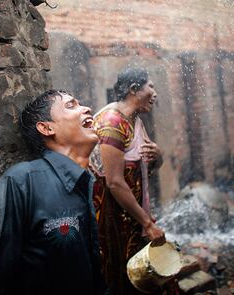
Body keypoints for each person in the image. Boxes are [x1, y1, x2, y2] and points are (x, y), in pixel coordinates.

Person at [0, 90, 105, 295]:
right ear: (46, 128)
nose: (86, 108)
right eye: (71, 105)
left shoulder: (90, 181)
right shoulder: (20, 182)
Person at [90, 68, 166, 295]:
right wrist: (148, 224)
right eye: (150, 86)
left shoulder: (135, 120)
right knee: (120, 276)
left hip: (131, 214)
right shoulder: (112, 123)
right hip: (114, 217)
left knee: (138, 274)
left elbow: (150, 165)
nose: (155, 93)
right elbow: (114, 182)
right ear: (134, 89)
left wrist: (159, 154)